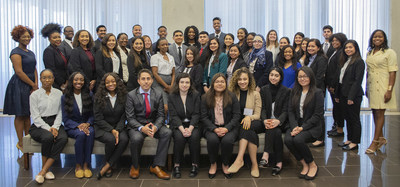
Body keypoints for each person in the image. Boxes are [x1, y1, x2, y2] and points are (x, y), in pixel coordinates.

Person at [126, 69, 172, 180]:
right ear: (138, 81)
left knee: (167, 132)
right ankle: (135, 166)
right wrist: (142, 128)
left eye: (148, 79)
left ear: (152, 80)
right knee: (136, 138)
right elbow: (130, 118)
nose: (146, 81)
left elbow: (161, 115)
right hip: (137, 125)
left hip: (153, 124)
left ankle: (156, 166)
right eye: (143, 79)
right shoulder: (131, 95)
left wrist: (155, 127)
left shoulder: (158, 93)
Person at [284, 66, 323, 180]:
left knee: (298, 139)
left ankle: (312, 164)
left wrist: (302, 128)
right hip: (296, 123)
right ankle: (304, 164)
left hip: (311, 125)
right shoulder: (294, 91)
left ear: (310, 77)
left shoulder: (317, 92)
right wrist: (295, 126)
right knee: (288, 140)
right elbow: (290, 111)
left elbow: (317, 115)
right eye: (300, 77)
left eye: (305, 76)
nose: (303, 79)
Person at [29, 69, 68, 184]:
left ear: (53, 79)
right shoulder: (34, 95)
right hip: (39, 124)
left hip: (55, 122)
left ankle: (43, 170)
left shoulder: (58, 93)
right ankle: (46, 169)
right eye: (44, 78)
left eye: (49, 77)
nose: (47, 80)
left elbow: (60, 112)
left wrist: (55, 127)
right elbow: (35, 116)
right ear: (40, 79)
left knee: (63, 138)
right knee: (48, 137)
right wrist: (49, 128)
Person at [3, 25, 38, 152]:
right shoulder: (15, 52)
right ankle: (20, 142)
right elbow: (19, 72)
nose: (27, 38)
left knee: (28, 114)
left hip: (30, 85)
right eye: (24, 36)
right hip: (19, 85)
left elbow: (34, 69)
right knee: (20, 115)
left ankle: (28, 140)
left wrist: (36, 84)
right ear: (18, 37)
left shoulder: (31, 52)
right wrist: (32, 84)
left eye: (28, 36)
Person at [201, 73, 240, 179]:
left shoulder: (232, 96)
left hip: (229, 127)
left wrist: (227, 128)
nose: (220, 84)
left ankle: (225, 164)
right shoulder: (205, 97)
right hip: (211, 127)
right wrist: (214, 129)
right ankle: (213, 163)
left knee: (227, 141)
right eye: (217, 81)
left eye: (222, 82)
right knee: (213, 140)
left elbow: (237, 116)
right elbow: (203, 117)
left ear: (225, 84)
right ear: (212, 84)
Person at [365, 30, 398, 154]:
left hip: (384, 86)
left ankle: (375, 142)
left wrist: (389, 90)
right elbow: (368, 71)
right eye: (375, 37)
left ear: (384, 39)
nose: (377, 39)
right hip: (372, 85)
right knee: (374, 112)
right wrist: (366, 87)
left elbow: (393, 72)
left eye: (380, 37)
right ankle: (381, 138)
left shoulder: (389, 53)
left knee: (380, 113)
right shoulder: (370, 52)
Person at [227, 68, 263, 178]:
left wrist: (249, 118)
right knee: (247, 130)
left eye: (245, 79)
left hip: (254, 122)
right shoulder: (232, 93)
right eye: (240, 79)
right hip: (238, 123)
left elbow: (258, 114)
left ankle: (239, 159)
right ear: (236, 81)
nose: (242, 82)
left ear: (249, 80)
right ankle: (255, 165)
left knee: (246, 126)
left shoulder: (256, 94)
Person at [93, 72, 129, 179]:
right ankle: (109, 166)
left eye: (113, 81)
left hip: (119, 126)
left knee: (124, 139)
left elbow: (124, 116)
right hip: (102, 127)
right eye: (107, 82)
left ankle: (108, 164)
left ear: (117, 82)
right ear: (104, 84)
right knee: (110, 139)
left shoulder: (124, 95)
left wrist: (117, 129)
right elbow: (98, 118)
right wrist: (111, 130)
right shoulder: (98, 97)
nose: (111, 84)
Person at [61, 72, 94, 178]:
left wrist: (87, 123)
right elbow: (65, 118)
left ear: (84, 82)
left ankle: (86, 165)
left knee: (90, 133)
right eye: (76, 79)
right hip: (72, 126)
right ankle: (78, 165)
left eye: (81, 80)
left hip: (87, 124)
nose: (78, 82)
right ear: (71, 81)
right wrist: (78, 126)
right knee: (80, 134)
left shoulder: (89, 94)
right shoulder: (65, 97)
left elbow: (93, 114)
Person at [259, 67, 291, 176]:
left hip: (280, 122)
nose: (273, 77)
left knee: (275, 128)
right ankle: (279, 162)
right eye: (271, 75)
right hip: (267, 121)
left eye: (276, 75)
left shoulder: (287, 91)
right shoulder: (264, 89)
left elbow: (286, 110)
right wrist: (264, 120)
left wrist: (278, 121)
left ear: (281, 77)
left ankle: (266, 154)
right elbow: (262, 108)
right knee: (274, 131)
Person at [168, 73, 201, 178]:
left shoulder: (195, 95)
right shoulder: (172, 96)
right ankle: (176, 165)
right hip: (178, 124)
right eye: (182, 82)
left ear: (190, 84)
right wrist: (182, 130)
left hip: (193, 124)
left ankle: (195, 165)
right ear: (178, 83)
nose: (184, 84)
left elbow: (197, 114)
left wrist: (190, 129)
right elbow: (173, 116)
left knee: (194, 137)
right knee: (179, 138)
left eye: (187, 82)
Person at [334, 40, 365, 151]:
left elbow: (357, 81)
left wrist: (351, 97)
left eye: (350, 47)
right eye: (346, 47)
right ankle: (349, 139)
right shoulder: (346, 61)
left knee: (354, 119)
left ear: (355, 48)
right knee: (347, 118)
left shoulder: (359, 62)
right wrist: (337, 94)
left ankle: (355, 142)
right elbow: (340, 80)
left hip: (353, 95)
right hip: (343, 94)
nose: (348, 49)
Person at [304, 39, 327, 147]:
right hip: (309, 89)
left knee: (319, 114)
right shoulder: (309, 59)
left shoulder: (321, 59)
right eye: (309, 46)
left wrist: (311, 90)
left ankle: (320, 139)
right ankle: (314, 135)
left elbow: (319, 76)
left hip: (317, 90)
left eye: (313, 46)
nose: (310, 48)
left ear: (318, 47)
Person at [325, 33, 347, 137]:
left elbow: (337, 71)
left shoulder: (342, 52)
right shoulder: (335, 51)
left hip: (336, 85)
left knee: (339, 108)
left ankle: (340, 130)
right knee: (336, 107)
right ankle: (337, 128)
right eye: (333, 41)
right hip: (331, 84)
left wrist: (332, 85)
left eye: (336, 40)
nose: (334, 42)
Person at [151, 38, 176, 114]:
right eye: (162, 45)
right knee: (164, 106)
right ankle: (163, 123)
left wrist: (171, 86)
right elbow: (155, 73)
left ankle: (170, 122)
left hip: (170, 82)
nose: (165, 46)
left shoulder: (171, 57)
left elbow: (173, 73)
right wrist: (166, 87)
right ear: (158, 46)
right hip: (159, 83)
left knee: (172, 104)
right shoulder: (155, 57)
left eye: (166, 44)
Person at [41, 23, 68, 90]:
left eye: (59, 37)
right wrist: (62, 83)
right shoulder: (48, 51)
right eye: (54, 38)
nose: (58, 39)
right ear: (49, 39)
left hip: (64, 82)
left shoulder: (58, 49)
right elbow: (51, 70)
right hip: (56, 84)